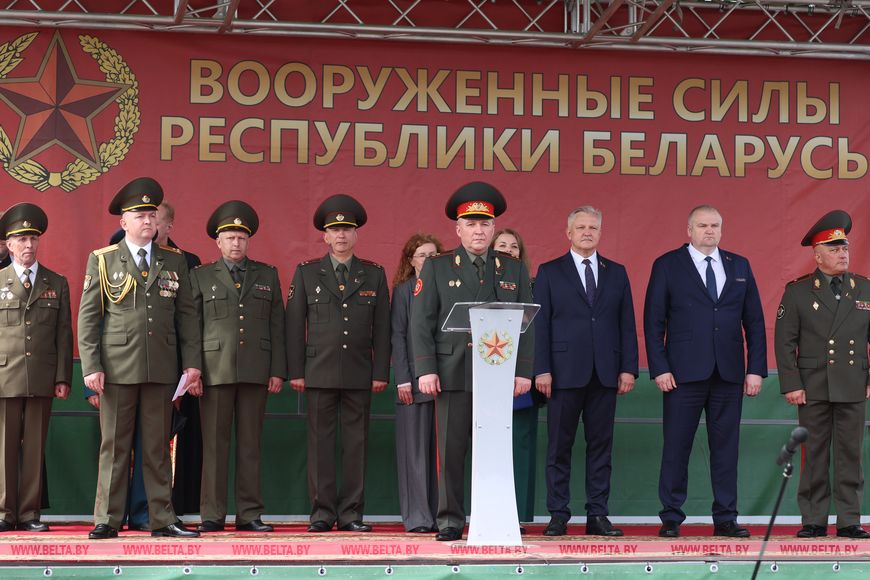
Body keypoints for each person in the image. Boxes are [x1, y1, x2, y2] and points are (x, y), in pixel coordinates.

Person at [77, 177, 202, 539]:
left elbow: (187, 316)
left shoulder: (174, 260)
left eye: (151, 215)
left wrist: (192, 363)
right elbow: (89, 318)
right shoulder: (103, 259)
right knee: (114, 447)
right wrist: (91, 367)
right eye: (139, 215)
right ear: (124, 222)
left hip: (161, 367)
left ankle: (162, 518)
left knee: (157, 448)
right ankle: (107, 519)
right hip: (117, 369)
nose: (147, 220)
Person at [411, 181, 534, 542]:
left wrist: (523, 371)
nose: (478, 231)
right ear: (458, 230)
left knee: (494, 450)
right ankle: (450, 520)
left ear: (493, 229)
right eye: (471, 224)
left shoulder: (511, 268)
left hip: (497, 373)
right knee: (451, 451)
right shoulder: (437, 267)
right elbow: (421, 322)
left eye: (485, 224)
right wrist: (426, 368)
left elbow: (528, 323)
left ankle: (492, 516)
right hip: (453, 371)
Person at [643, 205, 766, 539]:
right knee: (676, 447)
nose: (709, 231)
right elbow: (653, 322)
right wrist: (660, 368)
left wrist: (755, 369)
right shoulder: (668, 264)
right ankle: (671, 517)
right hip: (681, 374)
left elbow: (755, 321)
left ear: (722, 229)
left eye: (714, 225)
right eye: (702, 225)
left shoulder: (739, 265)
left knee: (726, 449)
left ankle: (726, 518)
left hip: (728, 372)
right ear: (689, 230)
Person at [286, 194, 391, 533]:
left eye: (347, 229)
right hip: (318, 371)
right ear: (325, 236)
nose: (341, 235)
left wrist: (380, 371)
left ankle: (351, 514)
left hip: (360, 372)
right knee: (320, 446)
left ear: (356, 234)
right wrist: (296, 371)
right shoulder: (307, 272)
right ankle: (321, 513)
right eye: (335, 230)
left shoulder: (373, 273)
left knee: (356, 446)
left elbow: (383, 328)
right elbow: (294, 325)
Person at [533, 207, 638, 537]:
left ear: (600, 233)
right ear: (569, 233)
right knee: (559, 448)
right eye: (581, 227)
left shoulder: (616, 272)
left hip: (605, 373)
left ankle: (598, 514)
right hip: (562, 373)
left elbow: (626, 323)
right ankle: (558, 514)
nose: (587, 232)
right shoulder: (549, 271)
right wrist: (542, 369)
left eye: (593, 227)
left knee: (601, 448)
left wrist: (628, 368)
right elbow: (540, 325)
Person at [774, 210, 870, 539]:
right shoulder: (798, 291)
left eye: (845, 248)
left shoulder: (864, 288)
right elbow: (785, 342)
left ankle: (849, 520)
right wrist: (792, 384)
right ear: (817, 255)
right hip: (813, 386)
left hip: (853, 384)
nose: (842, 254)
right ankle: (814, 519)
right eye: (834, 249)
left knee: (850, 455)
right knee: (814, 454)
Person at [192, 200, 286, 533]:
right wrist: (193, 370)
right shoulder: (201, 275)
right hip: (213, 371)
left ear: (248, 241)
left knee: (250, 446)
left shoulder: (267, 274)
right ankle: (212, 514)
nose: (236, 243)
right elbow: (192, 327)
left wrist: (277, 369)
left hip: (255, 370)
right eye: (230, 237)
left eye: (241, 238)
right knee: (214, 447)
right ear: (218, 242)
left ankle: (249, 513)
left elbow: (277, 324)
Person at [0, 203, 72, 532]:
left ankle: (29, 513)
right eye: (21, 239)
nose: (29, 245)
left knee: (34, 449)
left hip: (42, 376)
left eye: (33, 238)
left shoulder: (56, 281)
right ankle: (5, 512)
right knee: (4, 449)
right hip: (5, 375)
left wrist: (63, 376)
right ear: (9, 244)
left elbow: (63, 334)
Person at [391, 233, 443, 533]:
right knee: (415, 454)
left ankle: (441, 516)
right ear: (411, 261)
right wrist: (402, 380)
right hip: (412, 382)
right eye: (422, 255)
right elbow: (397, 336)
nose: (428, 260)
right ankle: (418, 518)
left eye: (434, 255)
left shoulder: (448, 288)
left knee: (442, 457)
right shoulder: (403, 291)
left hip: (444, 383)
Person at [491, 228, 539, 528]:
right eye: (502, 245)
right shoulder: (474, 285)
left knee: (519, 447)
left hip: (518, 377)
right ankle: (487, 513)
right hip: (482, 376)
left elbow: (535, 331)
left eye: (514, 246)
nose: (508, 250)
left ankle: (518, 515)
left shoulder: (531, 286)